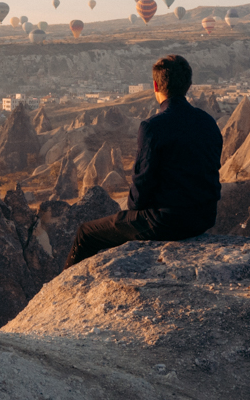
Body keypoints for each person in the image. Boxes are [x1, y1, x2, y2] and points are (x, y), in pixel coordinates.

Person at [64, 54, 222, 267]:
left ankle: (67, 293)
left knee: (86, 233)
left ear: (155, 85)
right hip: (204, 218)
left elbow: (140, 189)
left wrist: (134, 210)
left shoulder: (153, 127)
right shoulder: (208, 122)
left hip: (166, 222)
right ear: (189, 85)